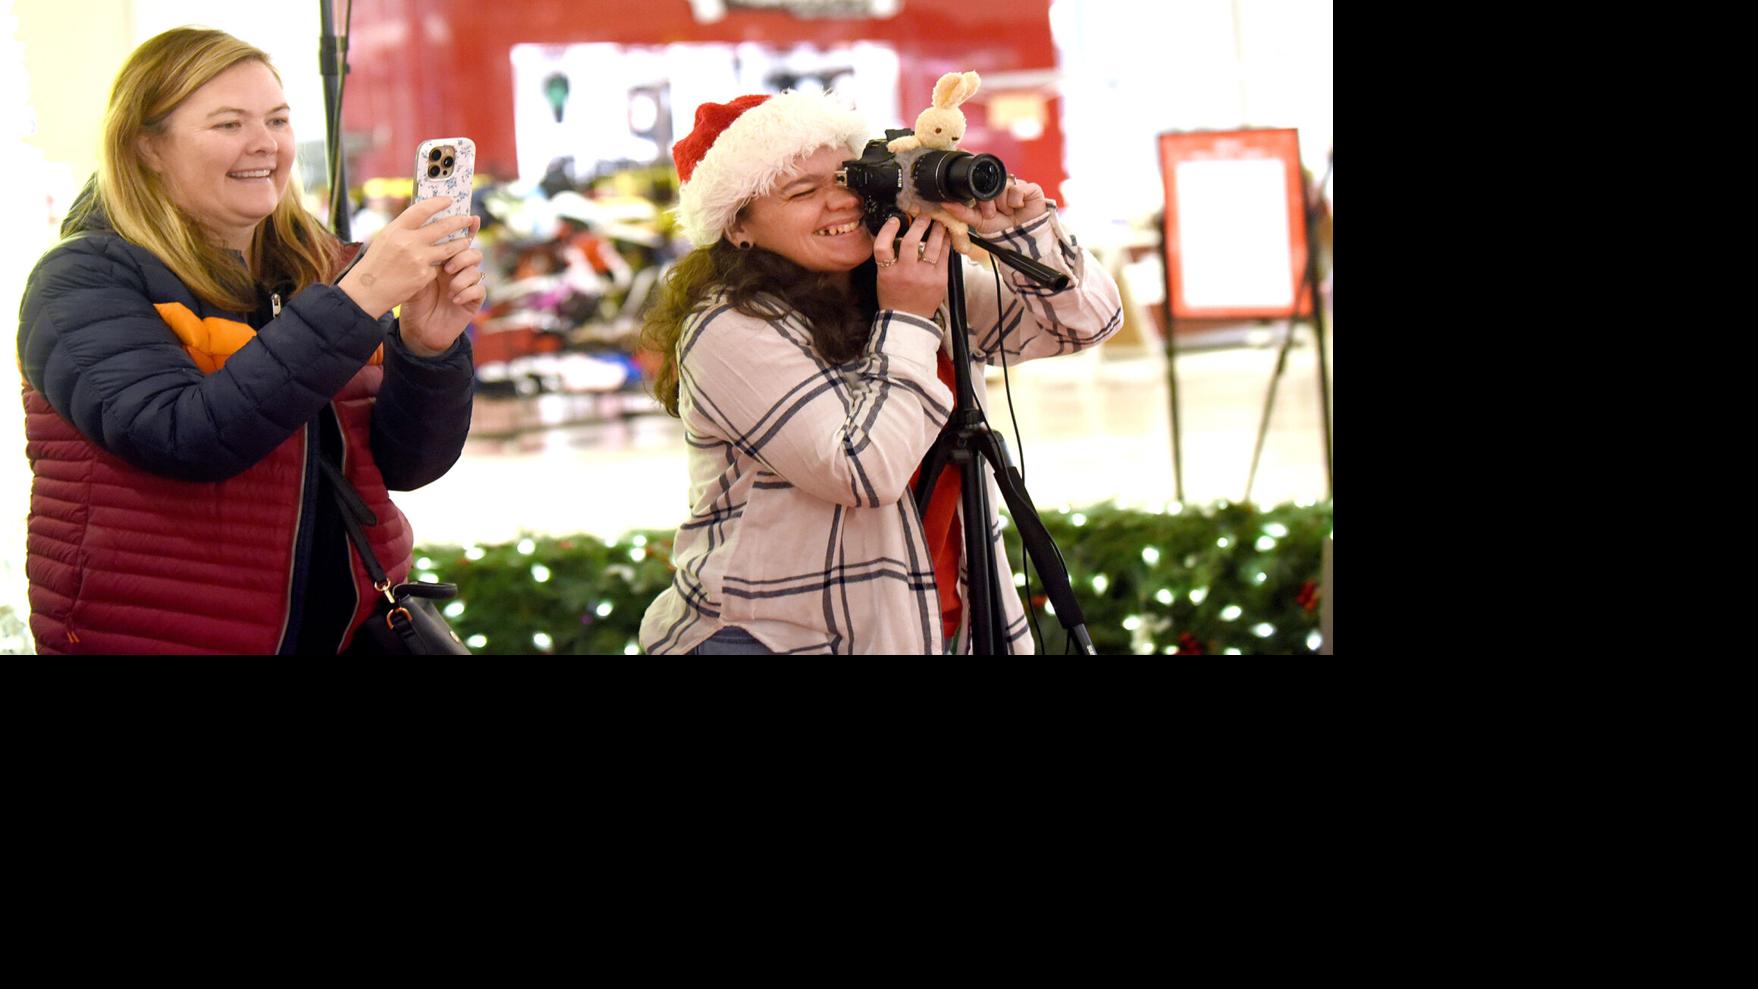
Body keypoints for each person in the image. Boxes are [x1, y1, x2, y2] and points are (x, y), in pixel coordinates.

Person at [16, 28, 484, 654]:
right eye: (229, 124)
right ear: (147, 145)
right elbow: (184, 438)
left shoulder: (319, 265)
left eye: (278, 119)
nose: (265, 145)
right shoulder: (83, 279)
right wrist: (359, 298)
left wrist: (428, 349)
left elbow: (405, 465)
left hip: (351, 631)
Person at [638, 90, 1123, 655]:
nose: (839, 202)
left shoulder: (903, 280)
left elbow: (1085, 324)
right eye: (802, 192)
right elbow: (864, 472)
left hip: (936, 622)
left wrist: (1021, 230)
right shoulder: (729, 327)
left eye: (847, 178)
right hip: (778, 639)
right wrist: (907, 316)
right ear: (737, 225)